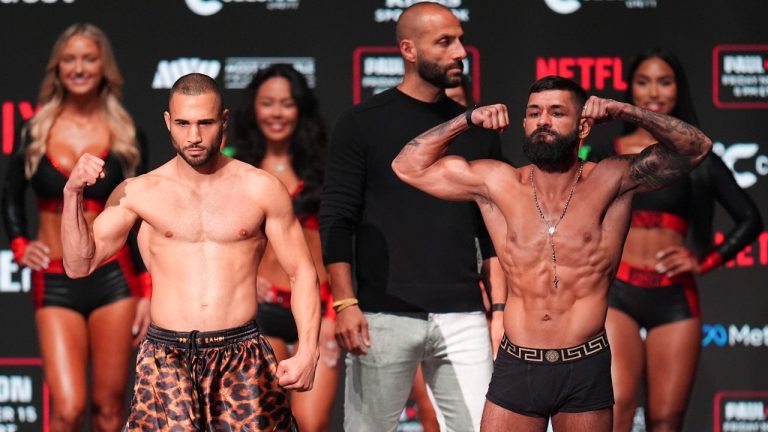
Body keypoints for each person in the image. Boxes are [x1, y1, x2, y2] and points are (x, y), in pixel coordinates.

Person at [391, 75, 714, 431]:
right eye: (534, 113)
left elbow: (695, 148)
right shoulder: (498, 182)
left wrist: (627, 111)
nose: (543, 121)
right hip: (518, 364)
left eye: (557, 112)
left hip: (584, 366)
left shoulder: (612, 180)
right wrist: (467, 119)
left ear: (583, 126)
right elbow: (407, 166)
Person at [60, 73, 320, 431]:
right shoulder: (139, 192)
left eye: (205, 123)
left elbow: (302, 271)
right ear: (168, 122)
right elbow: (79, 264)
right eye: (183, 123)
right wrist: (72, 194)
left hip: (241, 354)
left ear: (224, 120)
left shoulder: (260, 188)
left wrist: (308, 350)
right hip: (166, 359)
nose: (194, 136)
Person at [319, 3, 504, 431]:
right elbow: (337, 219)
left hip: (464, 314)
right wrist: (345, 302)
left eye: (460, 40)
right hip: (383, 313)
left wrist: (499, 309)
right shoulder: (361, 124)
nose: (460, 51)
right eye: (445, 42)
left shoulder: (475, 130)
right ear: (408, 50)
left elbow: (491, 230)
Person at [588, 48, 762, 432]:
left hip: (674, 297)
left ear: (677, 89)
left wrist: (705, 261)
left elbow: (751, 218)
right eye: (643, 81)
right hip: (617, 293)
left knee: (666, 419)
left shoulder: (697, 157)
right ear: (630, 89)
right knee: (616, 408)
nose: (653, 91)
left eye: (664, 82)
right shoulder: (603, 154)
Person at [0, 23, 151, 432]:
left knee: (108, 411)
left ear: (104, 67)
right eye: (69, 59)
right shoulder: (36, 130)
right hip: (54, 279)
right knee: (67, 409)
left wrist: (147, 288)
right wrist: (19, 242)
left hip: (114, 277)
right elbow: (11, 194)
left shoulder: (125, 133)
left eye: (89, 58)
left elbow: (142, 216)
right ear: (57, 68)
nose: (79, 68)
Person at [230, 63, 339, 432]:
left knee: (312, 422)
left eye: (287, 104)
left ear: (300, 109)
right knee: (267, 419)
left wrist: (334, 312)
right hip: (261, 312)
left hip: (317, 310)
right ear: (253, 109)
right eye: (267, 103)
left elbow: (340, 243)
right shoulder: (235, 167)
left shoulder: (324, 169)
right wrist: (243, 280)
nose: (277, 113)